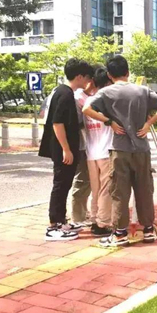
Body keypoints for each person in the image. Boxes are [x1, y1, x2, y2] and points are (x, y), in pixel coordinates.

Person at [83, 55, 157, 247]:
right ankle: (148, 230)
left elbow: (86, 109)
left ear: (109, 74)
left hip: (119, 149)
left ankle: (120, 234)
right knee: (144, 190)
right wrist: (148, 123)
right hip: (141, 148)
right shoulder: (142, 91)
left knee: (119, 192)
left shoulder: (106, 92)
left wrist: (109, 121)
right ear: (128, 72)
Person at [39, 58, 93, 241]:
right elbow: (57, 122)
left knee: (64, 184)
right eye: (87, 77)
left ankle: (61, 221)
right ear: (79, 76)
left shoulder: (61, 91)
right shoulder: (65, 94)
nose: (88, 81)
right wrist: (66, 149)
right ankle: (54, 226)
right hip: (62, 148)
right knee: (61, 185)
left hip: (62, 147)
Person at [82, 67, 114, 237]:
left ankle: (95, 219)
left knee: (96, 189)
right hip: (105, 151)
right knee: (106, 189)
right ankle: (103, 223)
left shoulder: (89, 100)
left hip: (91, 152)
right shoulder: (107, 99)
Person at [70, 74, 95, 227]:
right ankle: (77, 217)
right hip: (82, 146)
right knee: (82, 181)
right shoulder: (78, 98)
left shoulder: (89, 96)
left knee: (88, 183)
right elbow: (77, 123)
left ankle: (83, 213)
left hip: (91, 146)